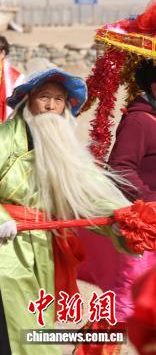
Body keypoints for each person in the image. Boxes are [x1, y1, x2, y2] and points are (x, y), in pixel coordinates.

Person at [0, 69, 132, 355]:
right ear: (28, 100)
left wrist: (123, 220)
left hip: (42, 248)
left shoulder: (64, 150)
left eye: (58, 100)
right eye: (44, 97)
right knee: (22, 333)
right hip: (2, 246)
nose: (50, 106)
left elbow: (88, 196)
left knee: (27, 332)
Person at [78, 59, 156, 324]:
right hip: (143, 226)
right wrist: (150, 200)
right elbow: (122, 169)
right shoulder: (139, 121)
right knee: (128, 299)